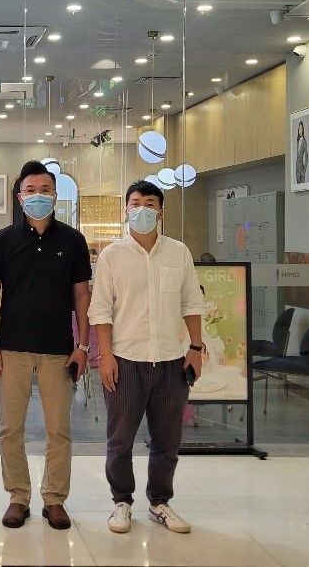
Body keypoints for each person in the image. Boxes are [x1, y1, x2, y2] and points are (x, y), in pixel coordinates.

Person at [91, 180, 206, 535]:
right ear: (126, 210)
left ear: (161, 211)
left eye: (150, 203)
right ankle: (121, 502)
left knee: (167, 440)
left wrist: (196, 348)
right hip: (125, 359)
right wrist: (105, 357)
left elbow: (191, 302)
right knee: (120, 439)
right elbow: (101, 311)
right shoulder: (112, 255)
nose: (142, 209)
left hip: (171, 361)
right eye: (136, 203)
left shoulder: (178, 253)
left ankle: (159, 501)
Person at [0, 161, 91, 530]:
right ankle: (18, 496)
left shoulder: (73, 241)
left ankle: (54, 498)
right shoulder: (2, 241)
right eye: (31, 191)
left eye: (45, 190)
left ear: (55, 195)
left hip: (58, 350)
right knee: (10, 429)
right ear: (19, 197)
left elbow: (82, 296)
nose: (38, 196)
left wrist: (83, 346)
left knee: (58, 429)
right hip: (12, 348)